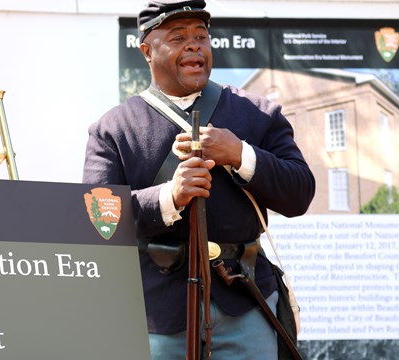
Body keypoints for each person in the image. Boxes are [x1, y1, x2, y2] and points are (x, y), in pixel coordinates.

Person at [82, 0, 316, 359]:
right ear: (147, 51)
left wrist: (241, 154)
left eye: (201, 36)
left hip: (246, 301)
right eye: (178, 37)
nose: (194, 46)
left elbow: (300, 194)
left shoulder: (259, 114)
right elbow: (97, 223)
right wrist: (168, 197)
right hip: (154, 314)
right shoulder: (113, 129)